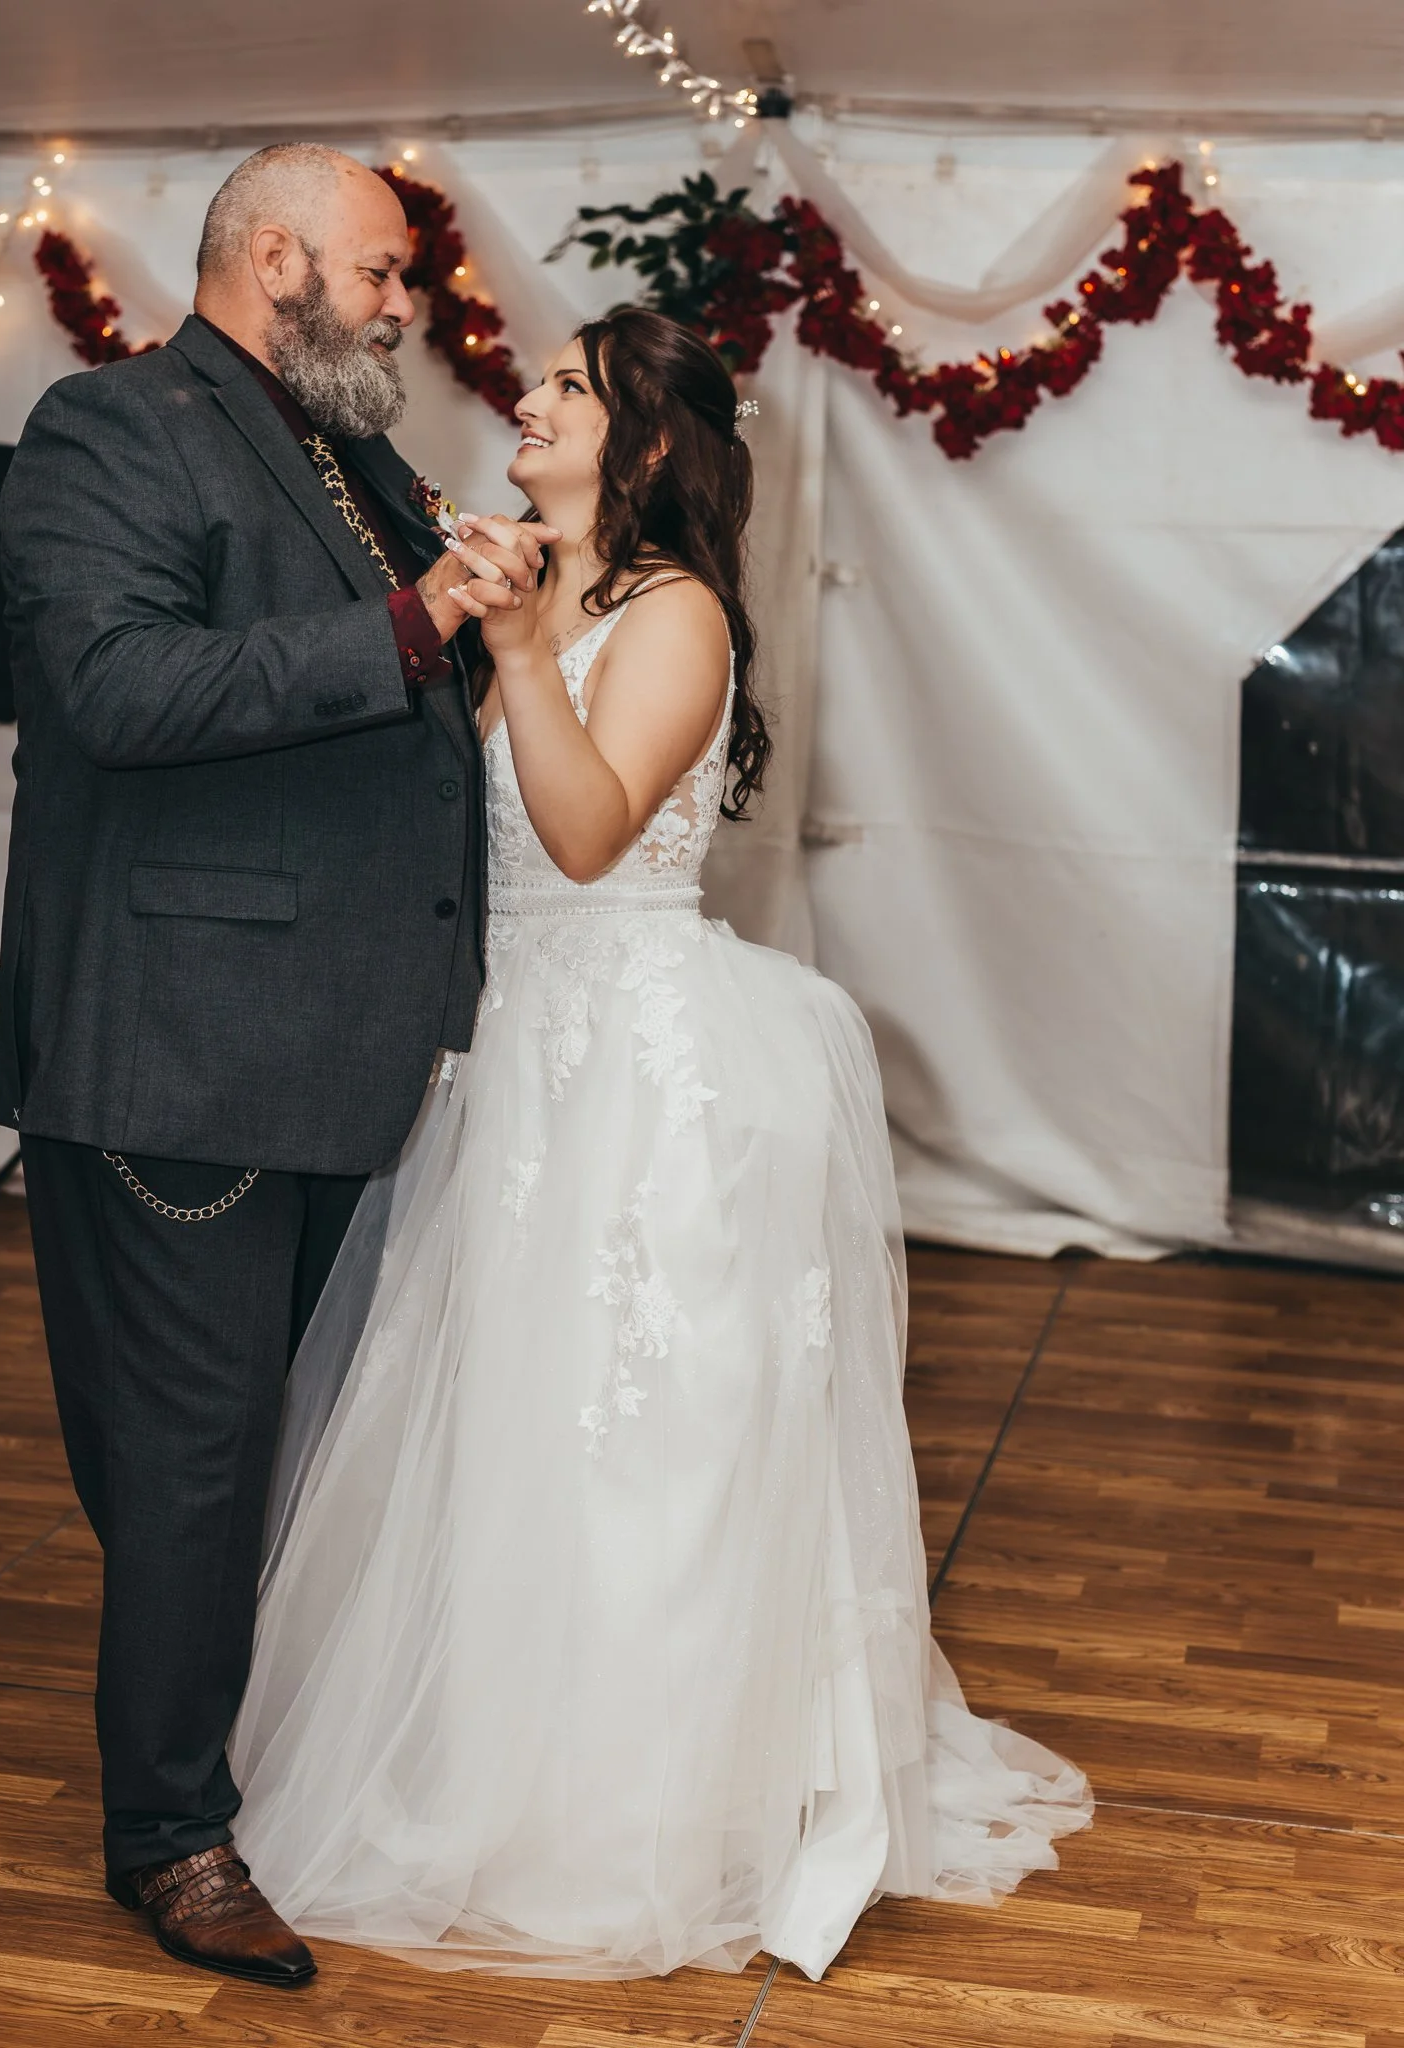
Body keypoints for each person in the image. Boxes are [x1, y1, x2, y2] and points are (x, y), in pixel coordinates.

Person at [228, 307, 1092, 1982]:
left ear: (636, 443)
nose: (527, 399)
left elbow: (583, 831)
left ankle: (640, 1804)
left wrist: (517, 649)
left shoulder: (674, 610)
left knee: (633, 1432)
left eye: (566, 387)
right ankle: (484, 1761)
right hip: (506, 1059)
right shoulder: (528, 585)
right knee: (500, 1426)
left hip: (637, 1067)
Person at [0, 144, 549, 1986]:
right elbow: (119, 690)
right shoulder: (114, 428)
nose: (407, 307)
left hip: (328, 1040)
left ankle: (222, 1758)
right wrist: (414, 621)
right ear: (279, 259)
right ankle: (165, 1837)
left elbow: (389, 712)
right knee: (192, 1459)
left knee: (254, 1450)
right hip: (185, 1043)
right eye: (383, 273)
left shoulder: (347, 451)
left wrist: (473, 614)